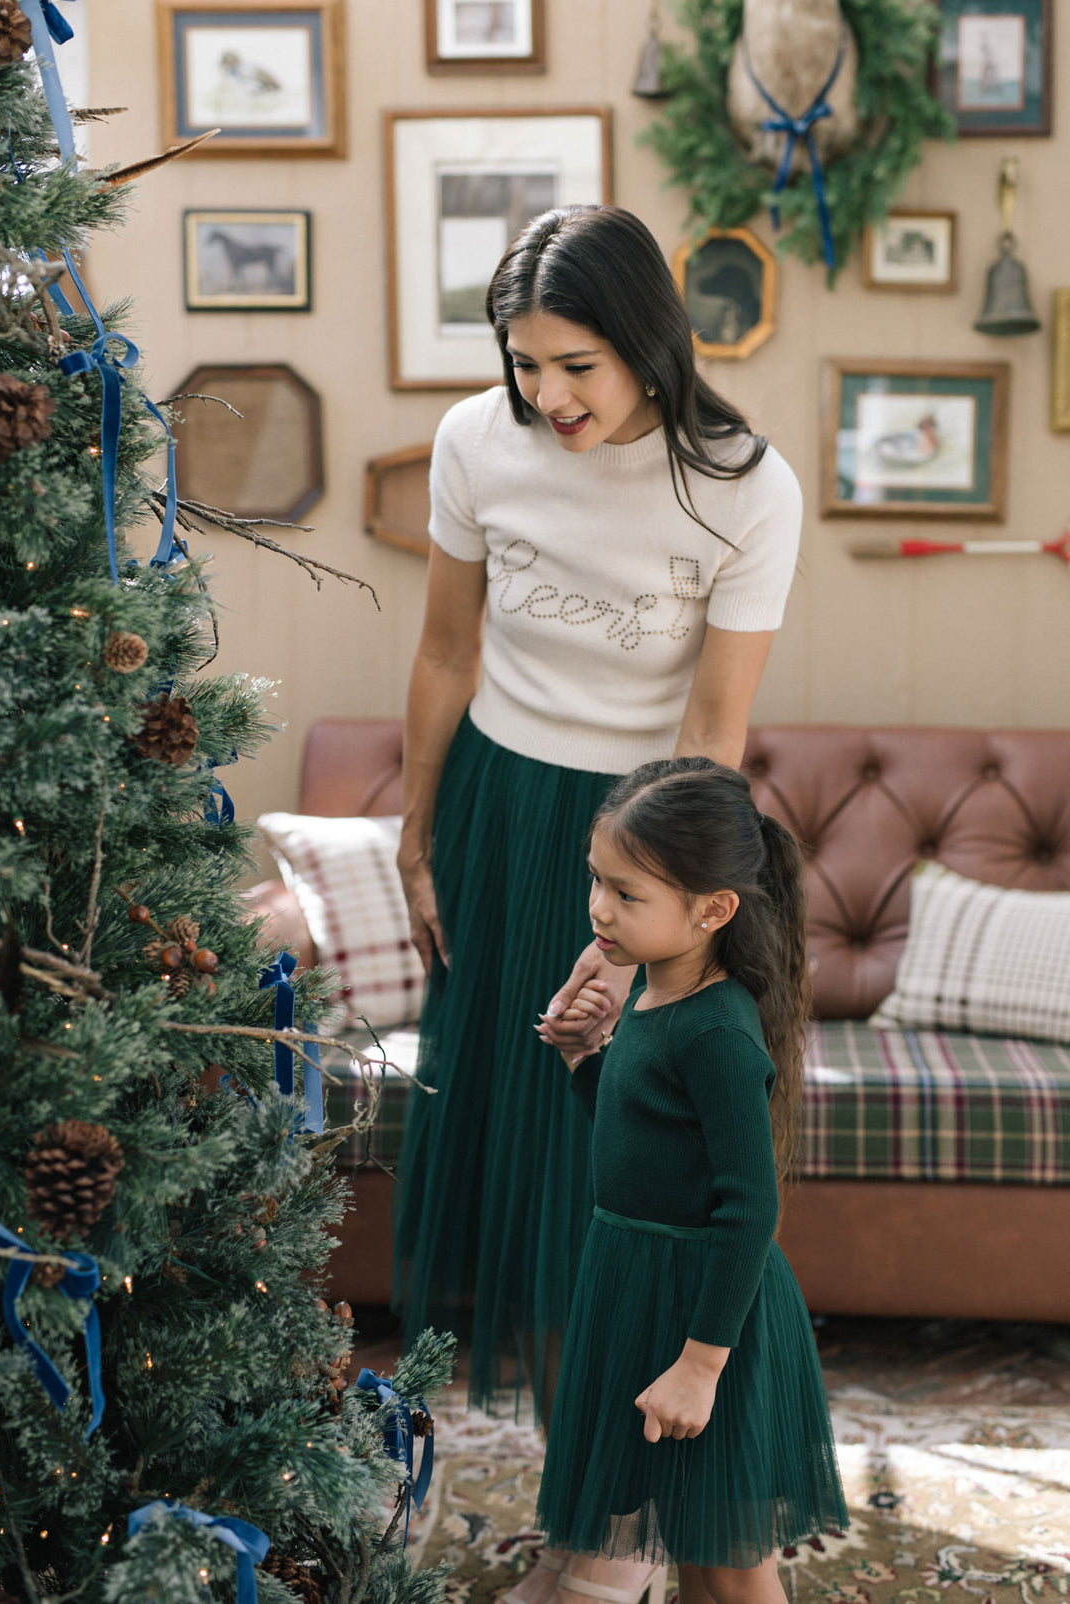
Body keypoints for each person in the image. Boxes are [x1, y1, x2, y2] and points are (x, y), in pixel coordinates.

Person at [393, 202, 801, 1468]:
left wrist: (642, 927)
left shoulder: (746, 486)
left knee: (623, 1176)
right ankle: (580, 1492)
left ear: (649, 339)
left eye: (578, 364)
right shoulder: (476, 439)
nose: (547, 394)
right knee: (519, 1168)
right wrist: (417, 836)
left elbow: (711, 724)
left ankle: (622, 1510)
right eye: (524, 362)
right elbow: (448, 650)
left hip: (641, 839)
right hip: (499, 815)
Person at [534, 760, 849, 1604]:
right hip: (639, 1283)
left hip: (707, 1311)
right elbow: (643, 1140)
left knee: (730, 1557)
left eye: (627, 893)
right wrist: (580, 1061)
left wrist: (702, 1365)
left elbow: (751, 1209)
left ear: (712, 910)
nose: (599, 908)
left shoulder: (716, 1031)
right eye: (596, 879)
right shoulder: (649, 986)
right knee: (689, 1537)